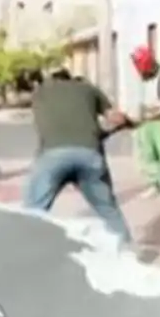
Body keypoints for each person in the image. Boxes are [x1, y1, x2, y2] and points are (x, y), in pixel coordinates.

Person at [24, 71, 136, 245]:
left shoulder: (40, 92)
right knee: (108, 209)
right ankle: (127, 249)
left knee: (33, 209)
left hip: (52, 156)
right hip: (89, 155)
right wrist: (128, 122)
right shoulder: (88, 88)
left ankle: (24, 247)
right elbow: (116, 118)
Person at [128, 45, 160, 202]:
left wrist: (156, 108)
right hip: (145, 123)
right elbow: (136, 98)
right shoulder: (140, 77)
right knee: (147, 154)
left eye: (139, 64)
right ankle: (154, 184)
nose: (138, 69)